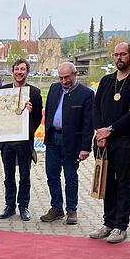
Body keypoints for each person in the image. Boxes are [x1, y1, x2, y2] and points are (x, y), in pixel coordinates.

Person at [90, 42, 130, 243]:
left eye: (123, 54)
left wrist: (111, 129)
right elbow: (96, 108)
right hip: (103, 141)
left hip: (125, 140)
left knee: (122, 181)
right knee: (106, 181)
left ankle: (120, 225)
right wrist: (100, 132)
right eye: (116, 55)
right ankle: (108, 222)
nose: (119, 58)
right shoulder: (106, 81)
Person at [41, 62, 94, 225]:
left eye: (67, 77)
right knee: (52, 175)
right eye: (61, 78)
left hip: (71, 142)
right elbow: (49, 110)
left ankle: (72, 209)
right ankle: (56, 208)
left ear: (75, 74)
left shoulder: (86, 94)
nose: (64, 81)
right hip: (53, 139)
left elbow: (88, 123)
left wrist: (86, 147)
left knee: (70, 176)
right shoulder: (54, 88)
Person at [0, 59, 42, 222]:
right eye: (17, 69)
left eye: (22, 69)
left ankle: (23, 205)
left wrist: (27, 121)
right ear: (12, 71)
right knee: (8, 175)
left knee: (25, 175)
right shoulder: (3, 90)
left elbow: (37, 118)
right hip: (7, 140)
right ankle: (9, 205)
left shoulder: (35, 92)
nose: (19, 72)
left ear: (27, 72)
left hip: (24, 141)